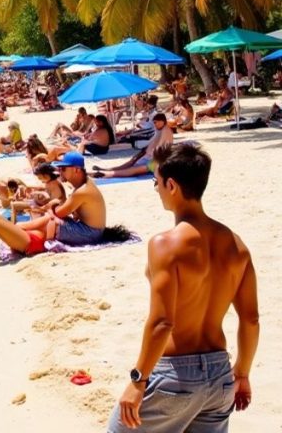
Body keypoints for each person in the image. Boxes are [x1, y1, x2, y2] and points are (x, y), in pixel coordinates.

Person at [109, 142, 258, 432]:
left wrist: (138, 380)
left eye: (156, 182)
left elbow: (163, 321)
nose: (157, 189)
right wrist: (242, 372)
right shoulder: (237, 246)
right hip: (220, 377)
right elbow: (250, 320)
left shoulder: (165, 244)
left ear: (172, 185)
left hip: (175, 375)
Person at [0, 151, 106, 269]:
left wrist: (50, 210)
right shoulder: (81, 185)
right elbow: (56, 214)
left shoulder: (82, 190)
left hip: (88, 232)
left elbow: (59, 213)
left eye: (64, 169)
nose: (60, 172)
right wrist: (49, 210)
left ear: (77, 170)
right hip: (81, 230)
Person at [94, 114, 173, 178]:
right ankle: (108, 171)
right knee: (132, 163)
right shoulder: (161, 129)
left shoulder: (165, 130)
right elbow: (155, 143)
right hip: (153, 156)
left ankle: (108, 173)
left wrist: (150, 155)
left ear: (161, 121)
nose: (154, 125)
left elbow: (160, 146)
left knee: (135, 168)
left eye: (155, 122)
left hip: (157, 159)